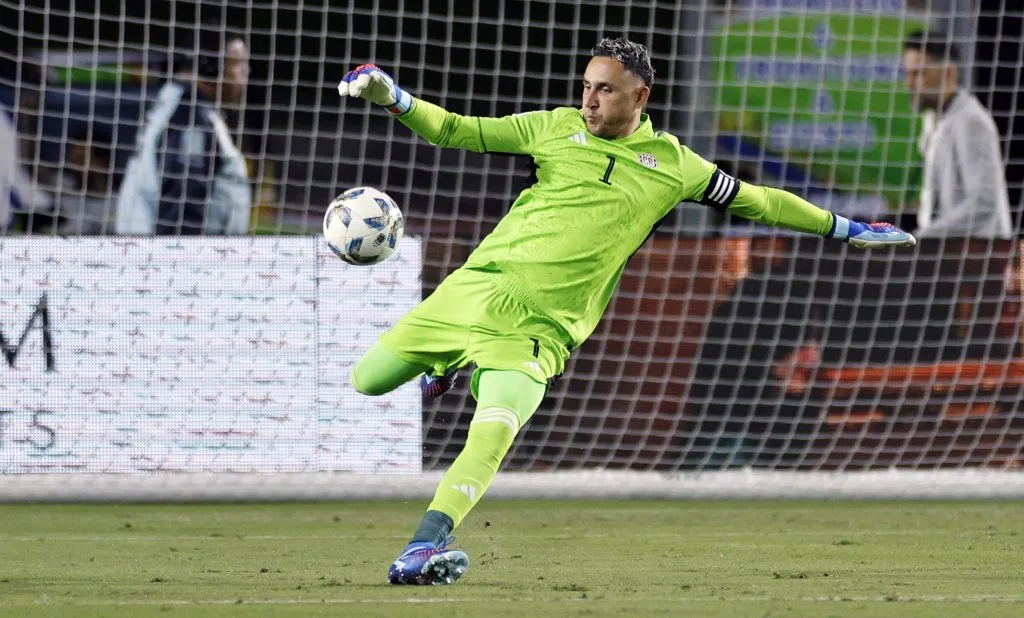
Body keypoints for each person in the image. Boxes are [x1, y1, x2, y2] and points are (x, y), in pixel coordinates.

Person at [338, 38, 916, 586]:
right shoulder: (554, 127)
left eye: (605, 89)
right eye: (586, 86)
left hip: (540, 328)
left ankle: (423, 545)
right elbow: (455, 130)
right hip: (471, 293)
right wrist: (394, 97)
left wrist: (846, 228)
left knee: (491, 434)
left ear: (640, 96)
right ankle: (446, 365)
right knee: (368, 380)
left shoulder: (674, 165)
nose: (589, 99)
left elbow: (760, 202)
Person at [115, 23, 251, 235]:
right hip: (178, 252)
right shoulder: (190, 116)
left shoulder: (178, 104)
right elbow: (182, 205)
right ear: (211, 65)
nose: (245, 71)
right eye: (238, 62)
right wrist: (182, 255)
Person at [904, 30, 1013, 238]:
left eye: (919, 73)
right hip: (952, 250)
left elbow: (983, 202)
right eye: (907, 74)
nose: (909, 84)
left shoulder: (970, 121)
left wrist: (925, 236)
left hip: (980, 252)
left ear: (949, 73)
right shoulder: (935, 119)